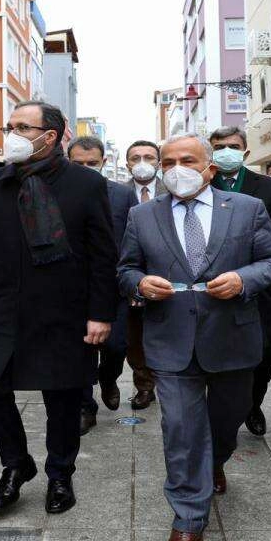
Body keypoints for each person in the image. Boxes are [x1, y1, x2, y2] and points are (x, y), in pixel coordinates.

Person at [119, 133, 271, 541]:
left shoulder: (247, 208)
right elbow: (126, 268)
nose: (177, 168)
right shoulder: (142, 214)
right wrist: (139, 283)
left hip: (233, 337)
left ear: (209, 168)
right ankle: (188, 520)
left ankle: (214, 462)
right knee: (181, 430)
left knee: (226, 422)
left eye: (188, 160)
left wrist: (244, 279)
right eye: (168, 162)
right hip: (170, 340)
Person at [0, 101, 117, 516]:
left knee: (62, 398)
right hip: (1, 306)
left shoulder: (85, 183)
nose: (12, 135)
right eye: (9, 127)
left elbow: (103, 255)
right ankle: (16, 464)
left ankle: (60, 474)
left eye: (22, 128)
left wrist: (101, 313)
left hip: (63, 309)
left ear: (51, 136)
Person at [207, 126, 271, 437]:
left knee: (267, 353)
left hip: (261, 285)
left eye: (232, 146)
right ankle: (226, 410)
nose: (226, 151)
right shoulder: (201, 183)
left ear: (246, 151)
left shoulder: (270, 188)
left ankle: (253, 404)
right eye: (219, 147)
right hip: (215, 285)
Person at [66, 136, 138, 434]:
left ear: (104, 162)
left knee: (116, 345)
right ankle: (85, 407)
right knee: (78, 351)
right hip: (70, 287)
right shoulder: (55, 192)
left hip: (114, 285)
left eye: (92, 163)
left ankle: (108, 378)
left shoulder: (122, 195)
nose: (85, 168)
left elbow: (136, 238)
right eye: (78, 163)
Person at [119, 140, 162, 409]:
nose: (142, 163)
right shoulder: (117, 193)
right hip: (130, 274)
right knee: (135, 337)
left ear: (159, 162)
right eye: (136, 158)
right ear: (127, 164)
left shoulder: (176, 189)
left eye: (149, 157)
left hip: (168, 273)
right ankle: (144, 386)